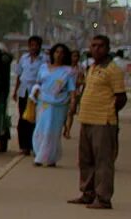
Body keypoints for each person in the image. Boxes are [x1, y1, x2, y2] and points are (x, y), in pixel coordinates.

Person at [68, 35, 126, 209]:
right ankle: (88, 193)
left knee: (103, 161)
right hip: (87, 118)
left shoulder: (113, 70)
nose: (96, 49)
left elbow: (120, 97)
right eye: (93, 45)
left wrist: (109, 112)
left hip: (103, 121)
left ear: (107, 48)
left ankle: (103, 197)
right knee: (85, 160)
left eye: (100, 46)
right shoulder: (92, 67)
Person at [30, 44, 75, 167]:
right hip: (43, 103)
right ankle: (38, 153)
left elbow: (71, 90)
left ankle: (48, 158)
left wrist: (72, 104)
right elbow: (38, 83)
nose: (59, 55)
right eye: (56, 52)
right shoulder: (44, 67)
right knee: (40, 129)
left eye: (62, 52)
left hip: (59, 105)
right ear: (52, 54)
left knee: (52, 131)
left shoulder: (68, 71)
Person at [63, 49, 84, 139]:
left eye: (77, 56)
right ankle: (65, 127)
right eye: (74, 56)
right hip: (64, 92)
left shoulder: (80, 68)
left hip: (75, 92)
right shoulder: (65, 68)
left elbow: (82, 79)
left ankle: (68, 130)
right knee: (64, 113)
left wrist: (80, 83)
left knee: (71, 112)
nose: (75, 58)